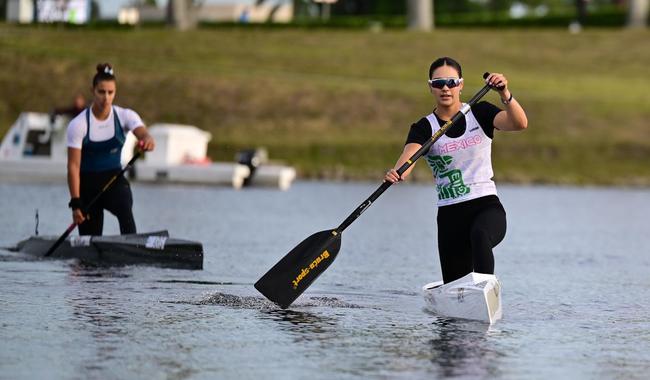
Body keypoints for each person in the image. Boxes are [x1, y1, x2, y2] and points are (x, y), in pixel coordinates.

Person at [384, 57, 528, 284]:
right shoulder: (424, 127)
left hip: (485, 206)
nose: (445, 88)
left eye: (451, 82)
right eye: (438, 83)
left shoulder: (480, 113)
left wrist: (505, 94)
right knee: (455, 285)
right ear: (430, 86)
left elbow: (520, 123)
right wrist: (398, 171)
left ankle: (485, 289)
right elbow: (408, 159)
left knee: (480, 235)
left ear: (460, 85)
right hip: (450, 216)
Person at [66, 63, 155, 236]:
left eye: (110, 92)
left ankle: (132, 248)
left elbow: (142, 132)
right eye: (101, 92)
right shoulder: (78, 125)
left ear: (115, 92)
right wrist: (76, 203)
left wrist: (147, 139)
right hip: (87, 187)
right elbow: (73, 167)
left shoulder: (125, 116)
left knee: (125, 209)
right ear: (93, 91)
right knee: (89, 246)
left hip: (114, 180)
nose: (106, 97)